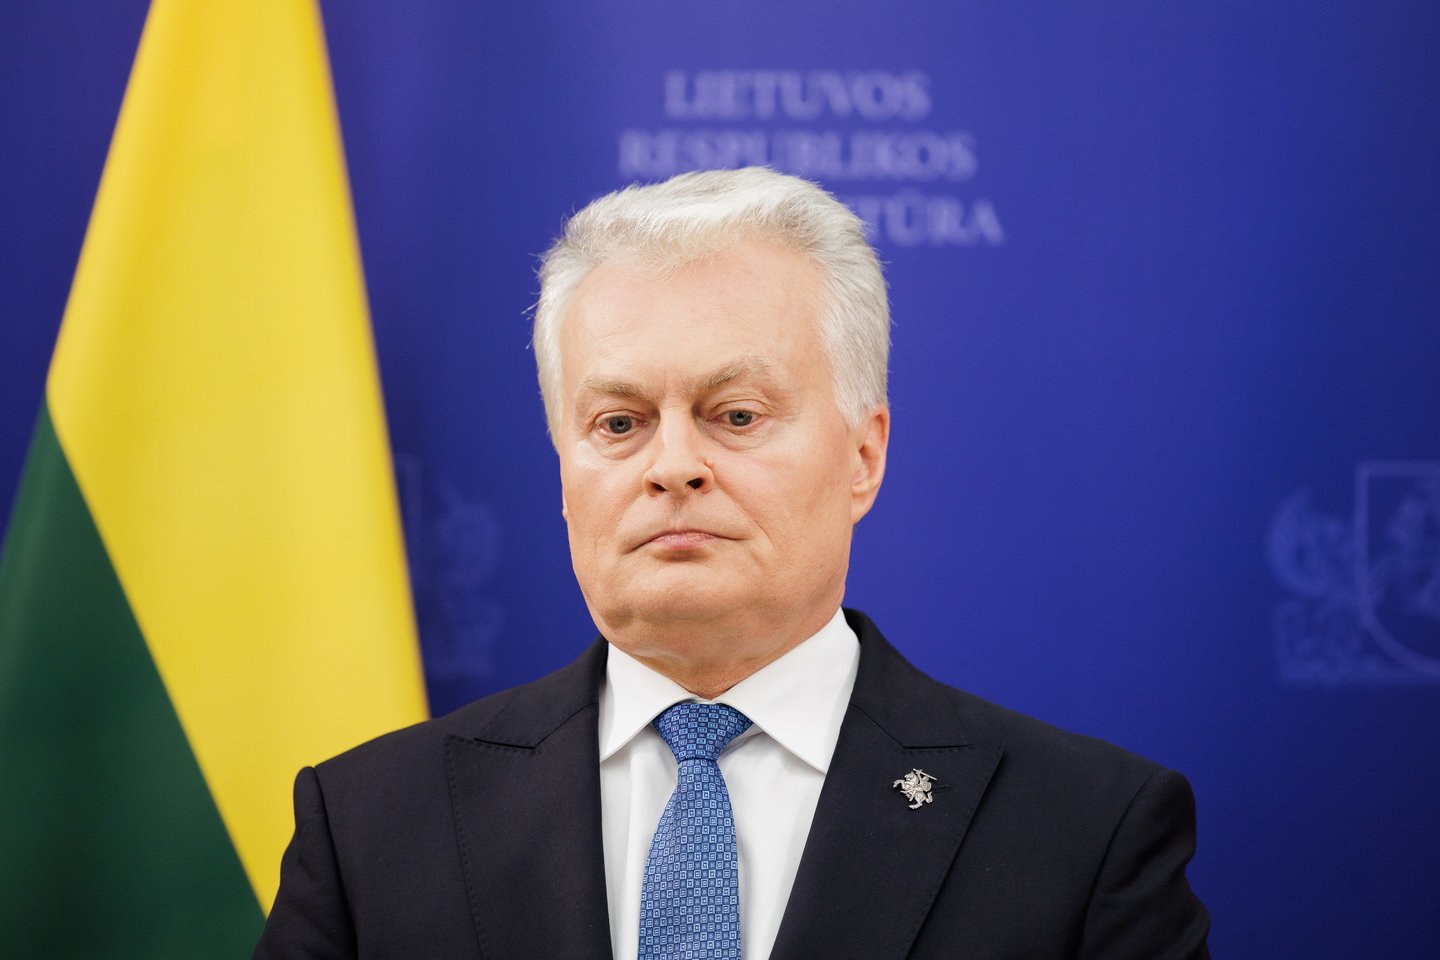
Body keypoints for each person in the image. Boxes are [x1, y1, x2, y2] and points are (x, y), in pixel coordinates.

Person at [254, 167, 1210, 959]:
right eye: (618, 424)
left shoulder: (1086, 833)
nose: (672, 465)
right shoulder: (370, 825)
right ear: (563, 472)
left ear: (864, 455)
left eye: (736, 415)